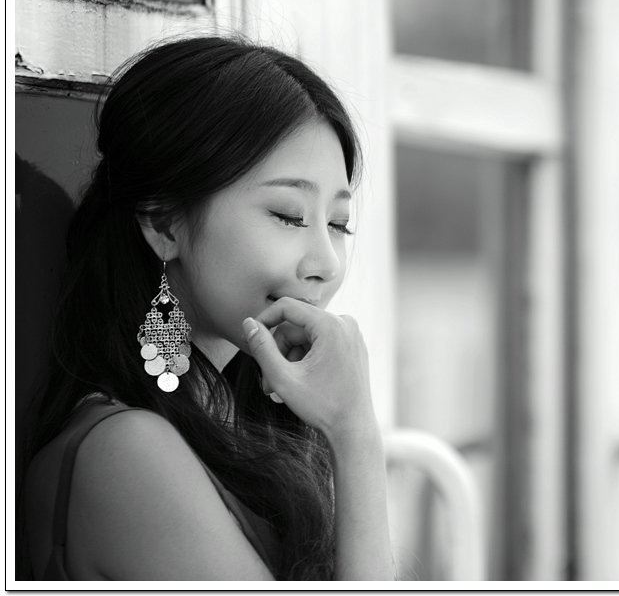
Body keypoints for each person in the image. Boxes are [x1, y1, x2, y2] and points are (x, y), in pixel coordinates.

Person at [21, 36, 394, 580]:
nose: (326, 262)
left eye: (337, 223)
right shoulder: (129, 453)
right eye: (288, 215)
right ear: (164, 224)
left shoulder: (241, 428)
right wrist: (355, 433)